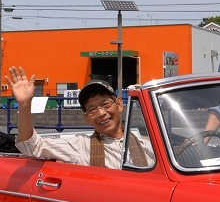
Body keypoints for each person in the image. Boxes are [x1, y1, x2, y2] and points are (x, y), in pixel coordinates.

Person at [8, 66, 151, 167]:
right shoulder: (80, 146)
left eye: (105, 104)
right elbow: (32, 147)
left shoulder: (146, 144)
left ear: (119, 104)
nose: (101, 113)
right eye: (92, 110)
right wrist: (25, 105)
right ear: (87, 118)